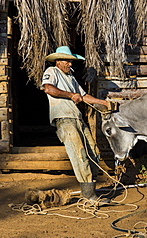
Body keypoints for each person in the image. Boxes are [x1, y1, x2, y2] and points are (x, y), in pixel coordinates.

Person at [42, 46, 111, 204]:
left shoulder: (71, 78)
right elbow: (48, 89)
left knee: (93, 152)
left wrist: (105, 103)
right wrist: (70, 95)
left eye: (71, 61)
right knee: (80, 154)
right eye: (67, 61)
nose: (70, 64)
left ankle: (90, 191)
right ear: (58, 61)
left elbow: (84, 96)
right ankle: (88, 196)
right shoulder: (52, 72)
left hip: (77, 119)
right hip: (64, 119)